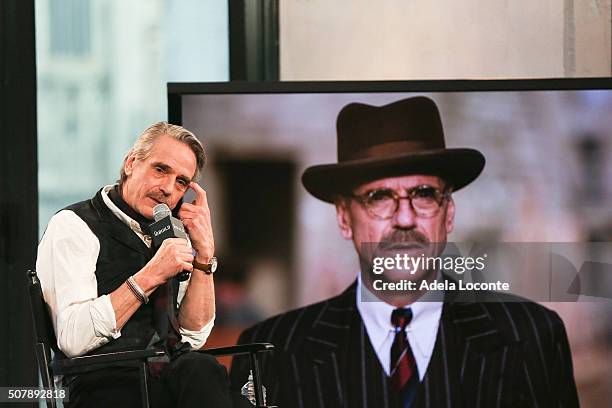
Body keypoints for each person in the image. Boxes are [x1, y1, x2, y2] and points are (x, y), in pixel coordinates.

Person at [230, 96, 580, 407]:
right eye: (379, 197)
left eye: (424, 193)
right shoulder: (270, 351)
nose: (405, 218)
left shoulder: (532, 337)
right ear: (343, 216)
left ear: (449, 213)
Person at [37, 122, 247, 407]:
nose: (168, 189)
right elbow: (74, 338)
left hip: (167, 375)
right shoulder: (74, 225)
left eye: (181, 182)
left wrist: (204, 258)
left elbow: (193, 335)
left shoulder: (172, 234)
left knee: (204, 369)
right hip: (104, 384)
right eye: (161, 170)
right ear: (131, 163)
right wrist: (150, 275)